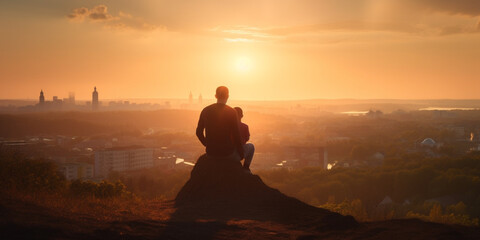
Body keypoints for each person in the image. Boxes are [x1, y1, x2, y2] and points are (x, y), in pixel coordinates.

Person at [196, 86, 244, 160]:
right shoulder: (232, 112)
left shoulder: (205, 110)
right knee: (250, 147)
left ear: (215, 96)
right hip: (227, 153)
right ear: (228, 96)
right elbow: (236, 134)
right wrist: (241, 153)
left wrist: (207, 144)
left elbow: (198, 132)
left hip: (211, 153)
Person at [234, 107, 255, 171]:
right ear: (242, 116)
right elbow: (247, 138)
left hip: (227, 153)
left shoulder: (226, 126)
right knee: (251, 146)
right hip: (238, 154)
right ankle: (246, 167)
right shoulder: (245, 126)